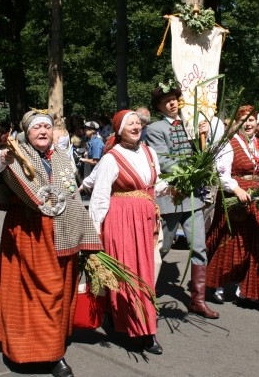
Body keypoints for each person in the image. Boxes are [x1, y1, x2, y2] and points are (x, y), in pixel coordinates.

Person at [0, 109, 101, 377]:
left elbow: (72, 196)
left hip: (61, 232)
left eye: (47, 127)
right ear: (27, 133)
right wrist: (3, 157)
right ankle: (30, 349)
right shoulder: (16, 153)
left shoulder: (63, 157)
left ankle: (54, 350)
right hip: (27, 231)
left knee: (58, 291)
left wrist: (86, 235)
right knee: (33, 292)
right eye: (37, 128)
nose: (43, 131)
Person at [89, 110, 164, 354]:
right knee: (129, 275)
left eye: (137, 123)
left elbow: (154, 184)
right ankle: (143, 331)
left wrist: (175, 187)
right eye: (129, 123)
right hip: (121, 221)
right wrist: (94, 232)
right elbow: (99, 196)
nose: (135, 126)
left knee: (149, 270)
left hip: (146, 220)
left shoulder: (150, 152)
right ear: (120, 130)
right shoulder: (112, 158)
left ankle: (137, 323)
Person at [145, 82, 220, 319]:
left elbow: (201, 154)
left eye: (174, 98)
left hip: (193, 197)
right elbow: (163, 160)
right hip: (171, 196)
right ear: (159, 106)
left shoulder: (190, 124)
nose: (172, 102)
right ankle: (145, 294)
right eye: (166, 100)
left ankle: (197, 300)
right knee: (163, 247)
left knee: (199, 247)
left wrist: (204, 137)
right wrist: (190, 172)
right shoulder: (156, 128)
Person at [206, 105, 259, 309]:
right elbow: (222, 174)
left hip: (258, 197)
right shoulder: (229, 144)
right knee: (230, 242)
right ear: (237, 123)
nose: (248, 124)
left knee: (255, 243)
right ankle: (217, 283)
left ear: (257, 123)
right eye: (244, 120)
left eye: (252, 120)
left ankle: (245, 287)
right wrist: (236, 189)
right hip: (235, 196)